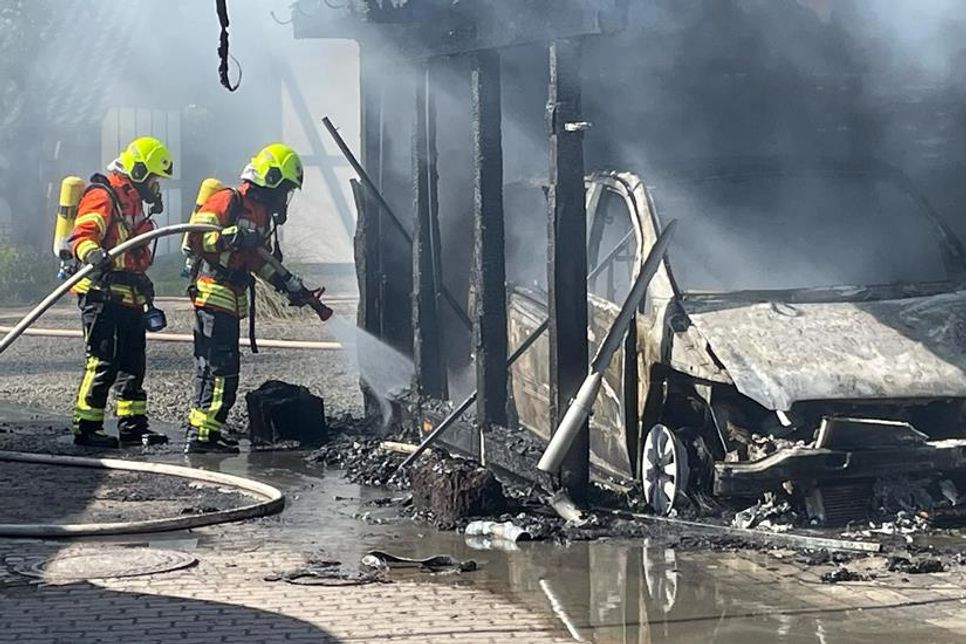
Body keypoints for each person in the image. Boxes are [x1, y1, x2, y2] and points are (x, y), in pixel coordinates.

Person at [183, 143, 317, 454]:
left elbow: (258, 261)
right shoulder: (228, 200)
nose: (284, 197)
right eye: (284, 189)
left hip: (230, 298)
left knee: (216, 369)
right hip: (213, 293)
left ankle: (204, 432)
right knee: (221, 371)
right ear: (270, 180)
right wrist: (229, 237)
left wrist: (286, 285)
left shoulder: (260, 213)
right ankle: (203, 436)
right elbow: (196, 238)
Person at [70, 136, 173, 448]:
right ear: (139, 171)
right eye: (154, 179)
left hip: (129, 296)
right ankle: (87, 427)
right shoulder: (103, 195)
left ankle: (132, 427)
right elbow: (82, 237)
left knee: (132, 364)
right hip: (101, 294)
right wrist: (92, 253)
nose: (156, 186)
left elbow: (134, 248)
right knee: (102, 361)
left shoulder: (134, 202)